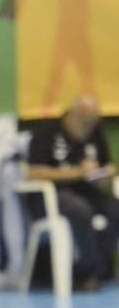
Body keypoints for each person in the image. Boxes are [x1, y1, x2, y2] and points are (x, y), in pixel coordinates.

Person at [26, 94, 119, 290]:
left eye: (92, 121)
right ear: (73, 114)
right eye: (84, 121)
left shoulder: (94, 132)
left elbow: (106, 165)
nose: (88, 127)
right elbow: (33, 172)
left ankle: (96, 268)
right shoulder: (47, 131)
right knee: (79, 209)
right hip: (52, 196)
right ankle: (87, 271)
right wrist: (77, 173)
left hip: (88, 192)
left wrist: (106, 174)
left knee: (114, 208)